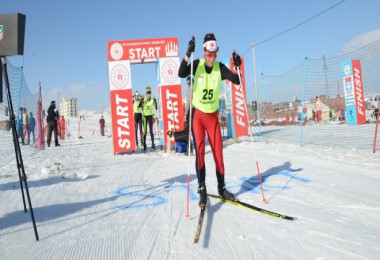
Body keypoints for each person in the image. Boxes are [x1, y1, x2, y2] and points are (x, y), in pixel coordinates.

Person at [178, 33, 242, 207]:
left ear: (217, 53)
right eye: (208, 54)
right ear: (204, 50)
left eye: (214, 54)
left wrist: (237, 66)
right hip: (198, 116)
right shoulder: (196, 65)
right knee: (200, 153)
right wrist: (187, 54)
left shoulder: (219, 68)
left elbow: (237, 80)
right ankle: (202, 189)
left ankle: (222, 188)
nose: (211, 58)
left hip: (212, 117)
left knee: (218, 155)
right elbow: (181, 72)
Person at [139, 86, 158, 151]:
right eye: (147, 93)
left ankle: (153, 145)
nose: (148, 94)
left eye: (149, 93)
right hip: (145, 116)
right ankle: (144, 145)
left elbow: (156, 107)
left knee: (151, 131)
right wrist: (141, 103)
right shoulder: (143, 98)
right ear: (146, 93)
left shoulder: (152, 99)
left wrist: (155, 102)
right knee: (145, 131)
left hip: (150, 116)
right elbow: (139, 106)